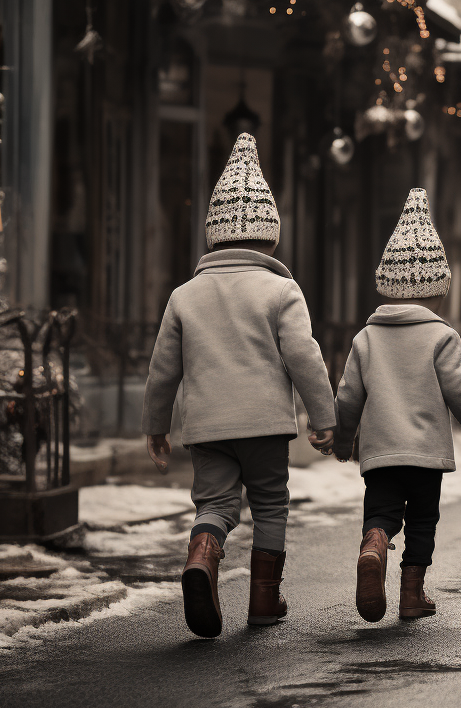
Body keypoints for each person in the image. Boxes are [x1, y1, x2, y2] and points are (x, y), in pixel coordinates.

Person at [142, 133, 336, 638]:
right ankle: (264, 602)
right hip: (266, 424)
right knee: (270, 504)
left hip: (206, 426)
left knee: (216, 505)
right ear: (270, 240)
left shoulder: (184, 295)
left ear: (213, 238)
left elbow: (164, 366)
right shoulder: (280, 289)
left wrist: (156, 424)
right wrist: (325, 416)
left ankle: (203, 555)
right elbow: (303, 356)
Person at [313, 189, 461, 623]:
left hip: (381, 452)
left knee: (383, 509)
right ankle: (412, 594)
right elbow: (460, 392)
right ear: (437, 292)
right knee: (423, 520)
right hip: (426, 454)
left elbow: (349, 393)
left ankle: (374, 542)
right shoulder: (442, 337)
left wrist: (343, 438)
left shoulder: (366, 338)